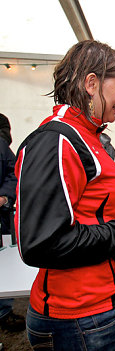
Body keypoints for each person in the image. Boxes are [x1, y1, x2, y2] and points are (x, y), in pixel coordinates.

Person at [15, 40, 115, 351]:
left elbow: (89, 208)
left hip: (100, 309)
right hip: (80, 318)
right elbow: (44, 244)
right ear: (91, 83)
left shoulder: (88, 136)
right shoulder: (57, 141)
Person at [0, 113, 25, 333]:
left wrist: (4, 196)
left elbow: (12, 173)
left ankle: (4, 311)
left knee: (3, 262)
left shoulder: (1, 144)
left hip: (0, 216)